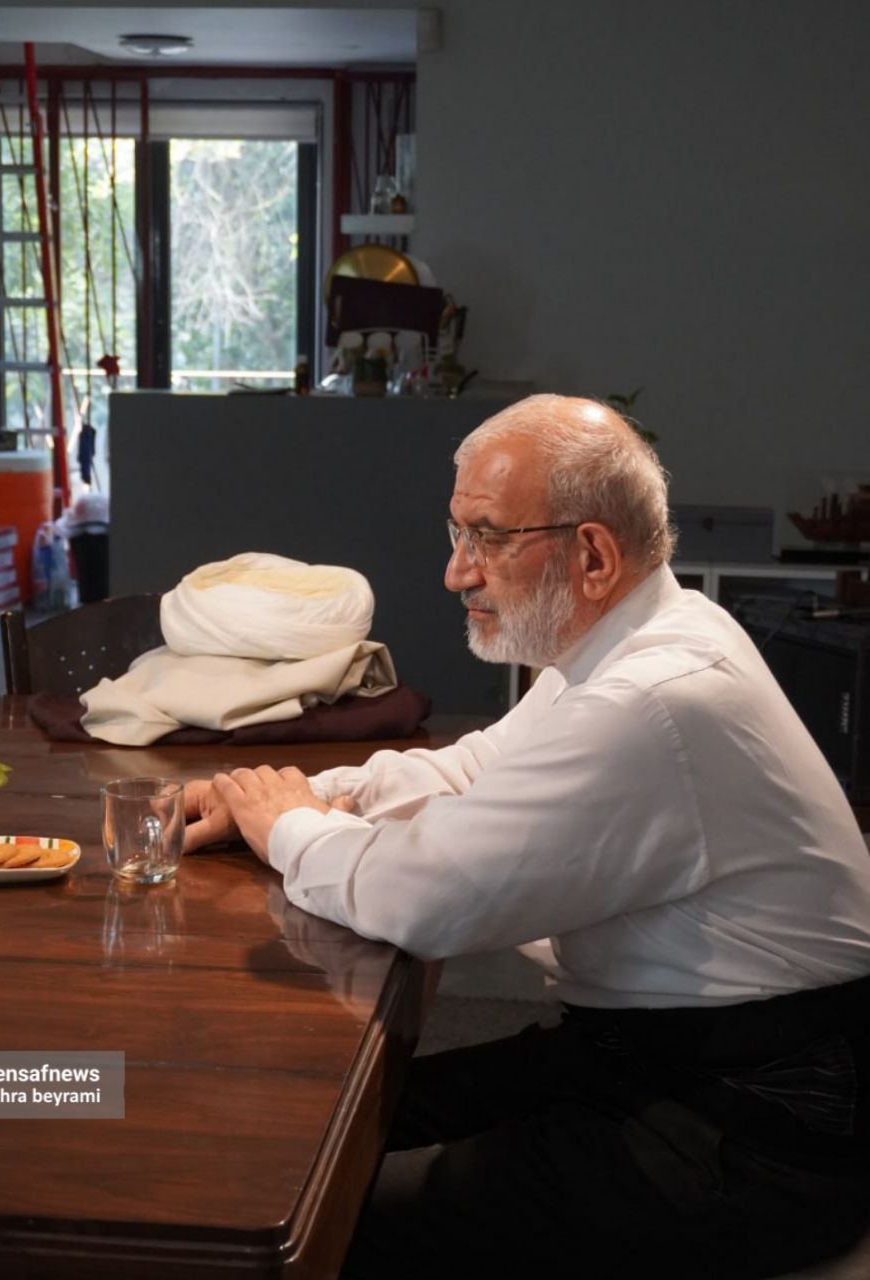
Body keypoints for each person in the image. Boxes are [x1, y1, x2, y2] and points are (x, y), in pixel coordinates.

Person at [184, 394, 870, 1279]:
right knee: (297, 1122)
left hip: (753, 1133)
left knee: (310, 1226)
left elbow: (427, 902)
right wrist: (294, 796)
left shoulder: (652, 697)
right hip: (648, 1060)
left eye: (487, 537)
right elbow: (476, 769)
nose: (455, 572)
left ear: (593, 555)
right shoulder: (638, 638)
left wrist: (286, 826)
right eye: (457, 532)